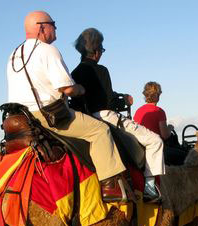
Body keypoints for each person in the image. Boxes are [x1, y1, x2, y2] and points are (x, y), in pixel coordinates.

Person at [7, 11, 127, 202]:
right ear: (41, 27)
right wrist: (80, 89)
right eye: (53, 24)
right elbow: (67, 88)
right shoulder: (47, 50)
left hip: (20, 118)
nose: (56, 28)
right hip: (48, 116)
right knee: (100, 131)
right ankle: (110, 187)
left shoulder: (14, 54)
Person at [70, 28, 164, 202]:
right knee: (155, 141)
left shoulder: (74, 73)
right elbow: (109, 100)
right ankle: (150, 189)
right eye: (102, 50)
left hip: (84, 119)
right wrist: (124, 100)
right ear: (96, 51)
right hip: (106, 116)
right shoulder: (102, 70)